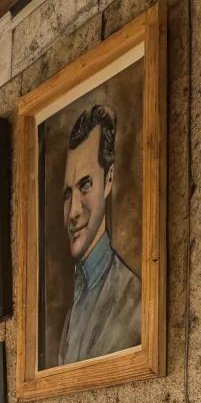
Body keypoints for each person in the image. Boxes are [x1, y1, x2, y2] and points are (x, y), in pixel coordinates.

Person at [56, 103, 141, 366]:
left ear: (109, 180)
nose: (73, 212)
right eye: (68, 194)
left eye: (86, 185)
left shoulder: (131, 297)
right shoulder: (74, 309)